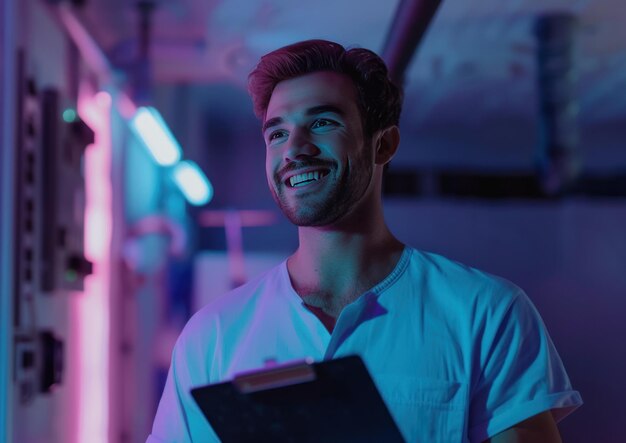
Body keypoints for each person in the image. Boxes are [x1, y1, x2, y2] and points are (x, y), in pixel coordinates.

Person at [147, 39, 582, 442]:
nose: (294, 148)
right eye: (277, 133)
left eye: (322, 123)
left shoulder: (486, 313)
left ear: (384, 144)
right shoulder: (213, 335)